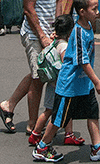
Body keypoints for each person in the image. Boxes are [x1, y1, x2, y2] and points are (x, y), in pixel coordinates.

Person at [34, 0, 100, 162]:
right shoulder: (79, 32)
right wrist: (97, 82)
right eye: (94, 9)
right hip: (70, 86)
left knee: (93, 113)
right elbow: (82, 61)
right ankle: (42, 147)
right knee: (59, 118)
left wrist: (90, 82)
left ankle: (97, 148)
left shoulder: (88, 27)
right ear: (82, 11)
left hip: (83, 85)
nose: (97, 12)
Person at [0, 0, 61, 136]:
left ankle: (8, 104)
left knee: (41, 73)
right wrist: (42, 35)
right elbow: (29, 9)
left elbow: (58, 1)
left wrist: (58, 30)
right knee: (38, 75)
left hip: (50, 33)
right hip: (34, 34)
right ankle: (33, 125)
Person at [27, 15, 83, 148]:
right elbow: (66, 65)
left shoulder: (54, 41)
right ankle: (35, 134)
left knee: (63, 109)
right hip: (61, 85)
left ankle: (68, 134)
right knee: (49, 111)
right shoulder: (63, 46)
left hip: (52, 83)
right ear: (70, 30)